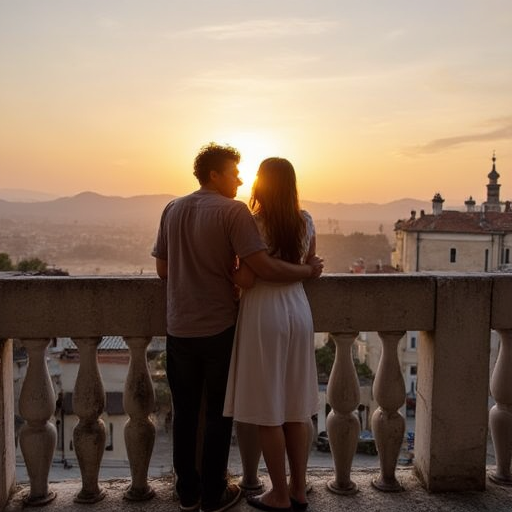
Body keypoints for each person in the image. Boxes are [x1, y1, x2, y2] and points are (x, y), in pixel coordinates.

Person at [152, 143, 323, 512]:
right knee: (235, 412)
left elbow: (165, 271)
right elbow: (276, 267)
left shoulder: (173, 208)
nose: (241, 179)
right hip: (253, 318)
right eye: (234, 172)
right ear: (215, 174)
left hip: (183, 323)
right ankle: (230, 493)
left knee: (188, 412)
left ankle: (188, 493)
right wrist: (307, 271)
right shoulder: (266, 216)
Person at [224, 157, 319, 512]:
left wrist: (230, 271)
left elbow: (249, 279)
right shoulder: (306, 220)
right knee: (295, 407)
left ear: (262, 184)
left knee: (268, 409)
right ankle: (299, 489)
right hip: (299, 310)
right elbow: (310, 264)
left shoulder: (254, 223)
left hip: (265, 313)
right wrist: (306, 271)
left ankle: (278, 493)